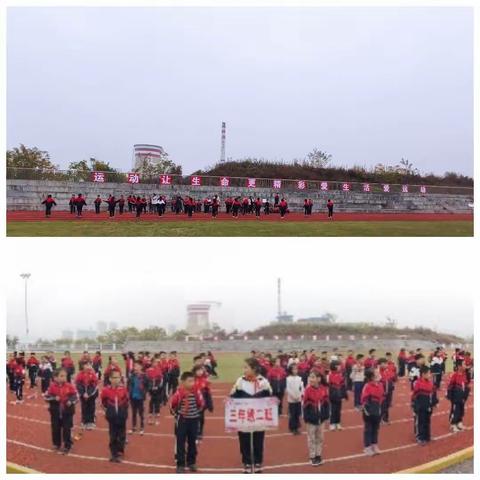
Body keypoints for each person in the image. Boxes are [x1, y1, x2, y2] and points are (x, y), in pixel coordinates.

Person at [230, 358, 272, 473]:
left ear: (254, 369)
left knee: (258, 440)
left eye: (246, 367)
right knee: (244, 440)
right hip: (244, 417)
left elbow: (269, 397)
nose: (244, 369)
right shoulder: (240, 381)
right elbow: (233, 395)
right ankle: (247, 462)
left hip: (258, 416)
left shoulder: (263, 381)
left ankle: (258, 462)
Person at [170, 371, 205, 473]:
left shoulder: (196, 391)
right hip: (182, 421)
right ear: (183, 382)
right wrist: (176, 415)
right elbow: (172, 404)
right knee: (180, 442)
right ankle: (180, 464)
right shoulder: (179, 392)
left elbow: (201, 403)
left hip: (193, 421)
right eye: (189, 381)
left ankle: (191, 462)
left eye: (193, 381)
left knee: (192, 442)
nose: (192, 383)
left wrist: (197, 413)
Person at [44, 368, 78, 454]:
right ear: (55, 378)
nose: (64, 377)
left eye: (65, 376)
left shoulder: (69, 386)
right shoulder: (52, 387)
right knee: (55, 428)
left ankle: (67, 445)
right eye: (61, 376)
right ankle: (56, 444)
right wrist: (54, 398)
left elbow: (75, 396)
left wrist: (71, 401)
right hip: (55, 412)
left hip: (67, 412)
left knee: (67, 429)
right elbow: (46, 397)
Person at [101, 369, 129, 463]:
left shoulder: (123, 389)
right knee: (113, 435)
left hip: (121, 416)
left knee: (122, 435)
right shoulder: (106, 390)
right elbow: (103, 402)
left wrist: (124, 413)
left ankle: (120, 450)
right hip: (112, 417)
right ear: (110, 379)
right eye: (114, 377)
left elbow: (126, 402)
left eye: (118, 377)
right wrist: (108, 411)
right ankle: (113, 453)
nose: (116, 379)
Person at [302, 370, 329, 466]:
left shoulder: (323, 389)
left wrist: (325, 416)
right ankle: (312, 456)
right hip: (311, 420)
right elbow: (305, 405)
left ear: (319, 379)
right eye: (310, 377)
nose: (310, 379)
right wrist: (307, 417)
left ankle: (318, 455)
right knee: (311, 438)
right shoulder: (308, 390)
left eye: (313, 377)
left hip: (321, 420)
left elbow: (326, 404)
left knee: (320, 438)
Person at [411, 366, 438, 444]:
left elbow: (433, 394)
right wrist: (415, 406)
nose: (430, 375)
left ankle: (427, 436)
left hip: (428, 406)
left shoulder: (430, 383)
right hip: (421, 407)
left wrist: (434, 403)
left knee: (427, 421)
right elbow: (414, 395)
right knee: (421, 422)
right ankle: (420, 437)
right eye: (428, 373)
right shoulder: (418, 383)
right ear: (423, 374)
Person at [361, 368, 384, 456]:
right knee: (368, 429)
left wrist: (380, 409)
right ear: (372, 377)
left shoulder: (380, 385)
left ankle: (374, 445)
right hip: (369, 412)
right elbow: (364, 400)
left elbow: (381, 398)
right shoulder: (367, 386)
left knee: (376, 429)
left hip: (377, 411)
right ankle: (367, 447)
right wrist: (367, 411)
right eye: (376, 373)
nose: (379, 374)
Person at [75, 361, 99, 430]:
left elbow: (94, 385)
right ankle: (84, 420)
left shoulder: (92, 374)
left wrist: (89, 393)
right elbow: (78, 384)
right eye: (86, 365)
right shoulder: (80, 374)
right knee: (84, 407)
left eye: (89, 364)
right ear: (83, 366)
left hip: (91, 395)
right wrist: (83, 393)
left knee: (91, 407)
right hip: (83, 395)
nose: (88, 366)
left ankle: (91, 421)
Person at [447, 363, 469, 433]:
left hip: (462, 397)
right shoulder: (455, 375)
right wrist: (450, 396)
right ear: (459, 366)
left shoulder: (464, 375)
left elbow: (466, 387)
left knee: (461, 410)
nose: (465, 366)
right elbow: (450, 386)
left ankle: (459, 423)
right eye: (463, 365)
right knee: (455, 411)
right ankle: (453, 424)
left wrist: (465, 396)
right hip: (456, 397)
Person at [127, 360, 148, 434]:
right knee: (133, 413)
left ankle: (142, 427)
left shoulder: (144, 376)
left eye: (136, 366)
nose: (135, 367)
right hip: (133, 397)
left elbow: (148, 385)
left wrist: (144, 391)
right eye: (134, 366)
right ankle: (133, 427)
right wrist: (129, 392)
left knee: (141, 413)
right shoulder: (132, 376)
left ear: (141, 367)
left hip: (140, 397)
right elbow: (129, 384)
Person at [193, 365, 213, 440]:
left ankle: (200, 431)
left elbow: (208, 393)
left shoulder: (205, 381)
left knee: (201, 417)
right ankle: (194, 431)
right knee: (194, 417)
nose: (199, 372)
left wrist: (210, 404)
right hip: (193, 401)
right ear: (195, 371)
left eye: (201, 370)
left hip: (202, 403)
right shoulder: (192, 380)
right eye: (198, 370)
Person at [328, 361, 347, 430]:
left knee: (338, 410)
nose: (340, 367)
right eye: (338, 365)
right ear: (335, 367)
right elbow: (329, 386)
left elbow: (343, 386)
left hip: (339, 395)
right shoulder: (330, 375)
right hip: (333, 395)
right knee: (333, 410)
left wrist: (344, 395)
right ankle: (332, 423)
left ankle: (338, 423)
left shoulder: (340, 375)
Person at [286, 364, 304, 435]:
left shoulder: (299, 378)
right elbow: (288, 389)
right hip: (291, 399)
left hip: (298, 399)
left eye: (296, 369)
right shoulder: (288, 379)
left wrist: (299, 395)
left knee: (297, 414)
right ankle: (293, 428)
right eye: (293, 369)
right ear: (290, 370)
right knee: (292, 414)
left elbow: (301, 388)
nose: (295, 370)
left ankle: (296, 427)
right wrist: (293, 396)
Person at [146, 358, 164, 426]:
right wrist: (149, 388)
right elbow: (146, 380)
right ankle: (150, 419)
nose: (155, 364)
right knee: (151, 404)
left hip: (157, 390)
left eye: (156, 362)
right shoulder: (148, 370)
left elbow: (161, 380)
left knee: (157, 405)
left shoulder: (159, 369)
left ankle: (157, 420)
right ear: (151, 363)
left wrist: (158, 387)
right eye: (154, 362)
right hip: (151, 390)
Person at [378, 358, 395, 424]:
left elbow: (391, 378)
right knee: (382, 405)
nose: (386, 365)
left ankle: (385, 418)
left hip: (389, 391)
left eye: (386, 363)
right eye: (384, 363)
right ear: (380, 364)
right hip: (382, 392)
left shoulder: (388, 370)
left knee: (387, 405)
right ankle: (381, 419)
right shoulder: (377, 372)